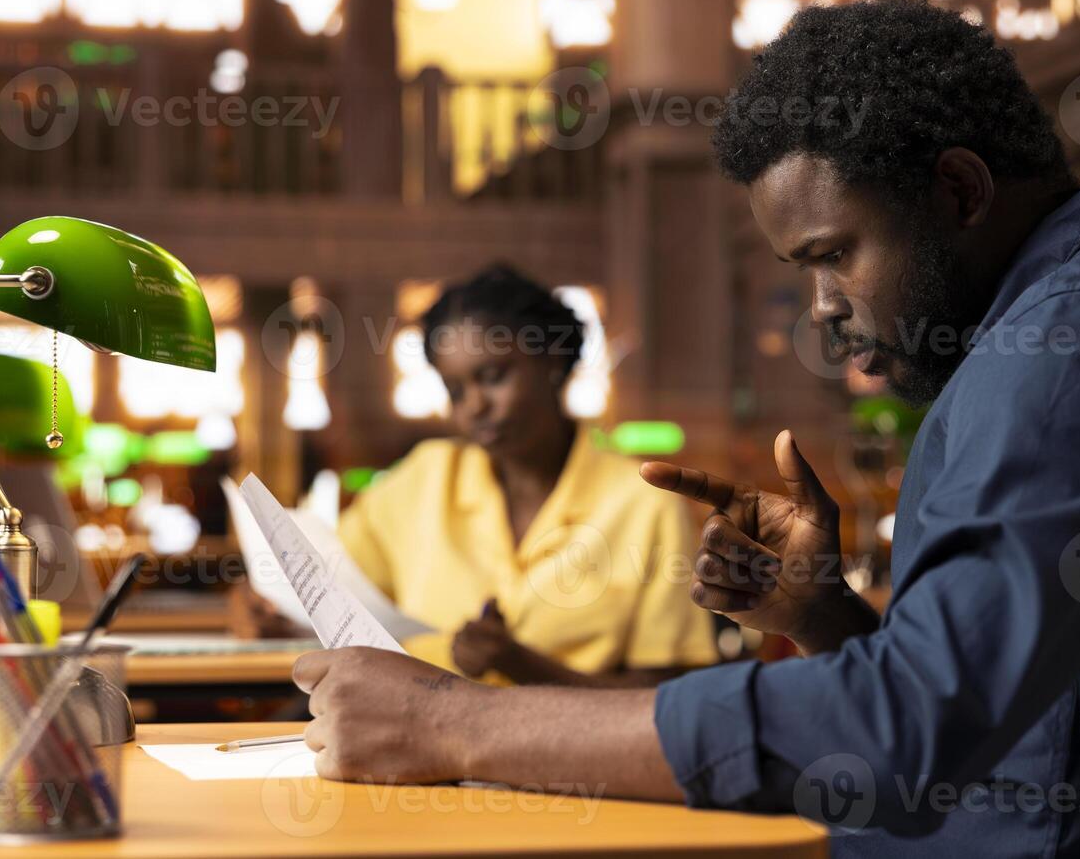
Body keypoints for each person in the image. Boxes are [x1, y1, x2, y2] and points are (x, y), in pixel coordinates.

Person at [289, 0, 1080, 856]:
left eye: (835, 253)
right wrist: (825, 615)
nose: (823, 307)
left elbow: (908, 733)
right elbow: (991, 712)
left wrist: (451, 719)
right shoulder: (1061, 321)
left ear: (958, 189)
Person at [234, 264, 718, 686]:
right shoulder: (425, 477)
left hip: (582, 774)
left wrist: (520, 665)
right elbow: (328, 589)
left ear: (551, 362)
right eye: (455, 389)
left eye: (493, 377)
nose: (475, 408)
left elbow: (672, 694)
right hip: (417, 754)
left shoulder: (644, 504)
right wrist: (265, 606)